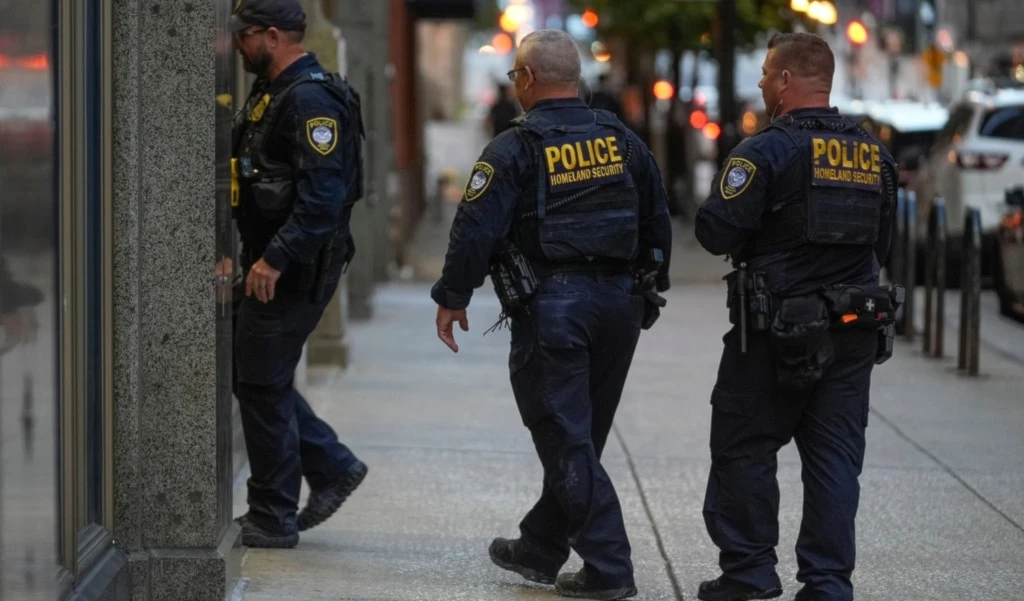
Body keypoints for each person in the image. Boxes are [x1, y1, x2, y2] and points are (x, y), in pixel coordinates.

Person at [431, 29, 672, 601]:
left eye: (516, 75)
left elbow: (475, 229)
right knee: (579, 437)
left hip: (555, 308)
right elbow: (656, 218)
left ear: (528, 79)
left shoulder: (514, 148)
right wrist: (648, 288)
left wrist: (453, 295)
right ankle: (540, 546)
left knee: (566, 440)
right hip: (620, 304)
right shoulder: (623, 141)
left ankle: (610, 568)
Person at [693, 33, 900, 601]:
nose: (761, 82)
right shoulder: (873, 153)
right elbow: (884, 242)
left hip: (776, 332)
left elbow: (716, 232)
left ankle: (750, 575)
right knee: (835, 458)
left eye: (766, 73)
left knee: (744, 447)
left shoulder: (765, 150)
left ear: (786, 81)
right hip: (855, 328)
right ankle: (829, 585)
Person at [230, 0, 368, 549]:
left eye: (244, 36)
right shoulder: (273, 91)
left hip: (294, 267)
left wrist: (274, 259)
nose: (237, 45)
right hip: (271, 261)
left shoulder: (310, 99)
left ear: (272, 35)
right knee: (261, 378)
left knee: (261, 382)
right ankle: (331, 466)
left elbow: (323, 200)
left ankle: (273, 515)